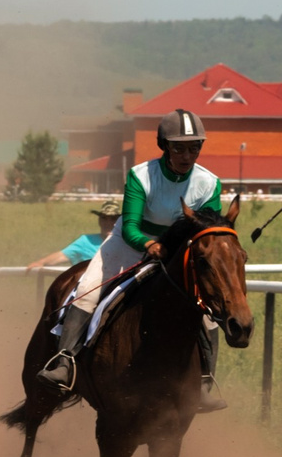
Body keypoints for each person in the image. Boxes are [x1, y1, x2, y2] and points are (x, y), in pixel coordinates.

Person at [32, 109, 226, 401]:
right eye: (179, 148)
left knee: (207, 312)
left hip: (176, 252)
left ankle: (205, 381)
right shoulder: (140, 175)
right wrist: (149, 246)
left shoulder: (210, 182)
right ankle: (65, 361)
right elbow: (131, 226)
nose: (187, 156)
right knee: (85, 290)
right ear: (164, 146)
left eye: (194, 147)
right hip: (128, 243)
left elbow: (206, 233)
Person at [28, 198, 121, 269]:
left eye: (113, 218)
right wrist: (41, 262)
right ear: (99, 220)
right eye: (104, 218)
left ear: (120, 221)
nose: (108, 223)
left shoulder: (127, 243)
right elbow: (62, 255)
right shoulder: (86, 241)